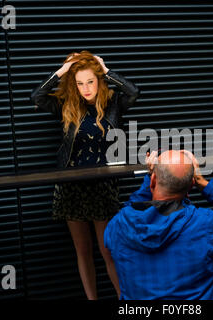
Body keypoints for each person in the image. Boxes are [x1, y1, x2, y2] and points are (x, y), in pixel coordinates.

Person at [30, 50, 139, 299]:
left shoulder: (113, 104)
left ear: (99, 81)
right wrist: (62, 71)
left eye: (90, 81)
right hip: (71, 185)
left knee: (108, 250)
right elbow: (35, 96)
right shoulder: (67, 106)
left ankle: (125, 301)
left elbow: (134, 92)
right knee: (83, 251)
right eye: (79, 83)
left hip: (101, 186)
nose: (85, 88)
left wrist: (106, 70)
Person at [104, 150, 213, 299]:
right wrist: (202, 182)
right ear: (191, 185)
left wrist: (150, 178)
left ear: (153, 181)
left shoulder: (119, 225)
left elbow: (131, 209)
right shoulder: (203, 224)